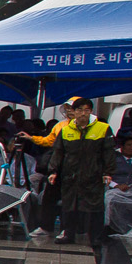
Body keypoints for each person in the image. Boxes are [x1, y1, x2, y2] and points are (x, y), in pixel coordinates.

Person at [24, 96, 114, 249]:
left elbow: (108, 152)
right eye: (79, 110)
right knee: (69, 205)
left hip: (93, 174)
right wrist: (53, 171)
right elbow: (58, 152)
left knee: (95, 207)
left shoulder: (103, 128)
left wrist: (108, 172)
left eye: (86, 110)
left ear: (91, 111)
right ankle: (68, 234)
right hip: (70, 175)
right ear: (73, 111)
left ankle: (95, 237)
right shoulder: (65, 130)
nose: (83, 113)